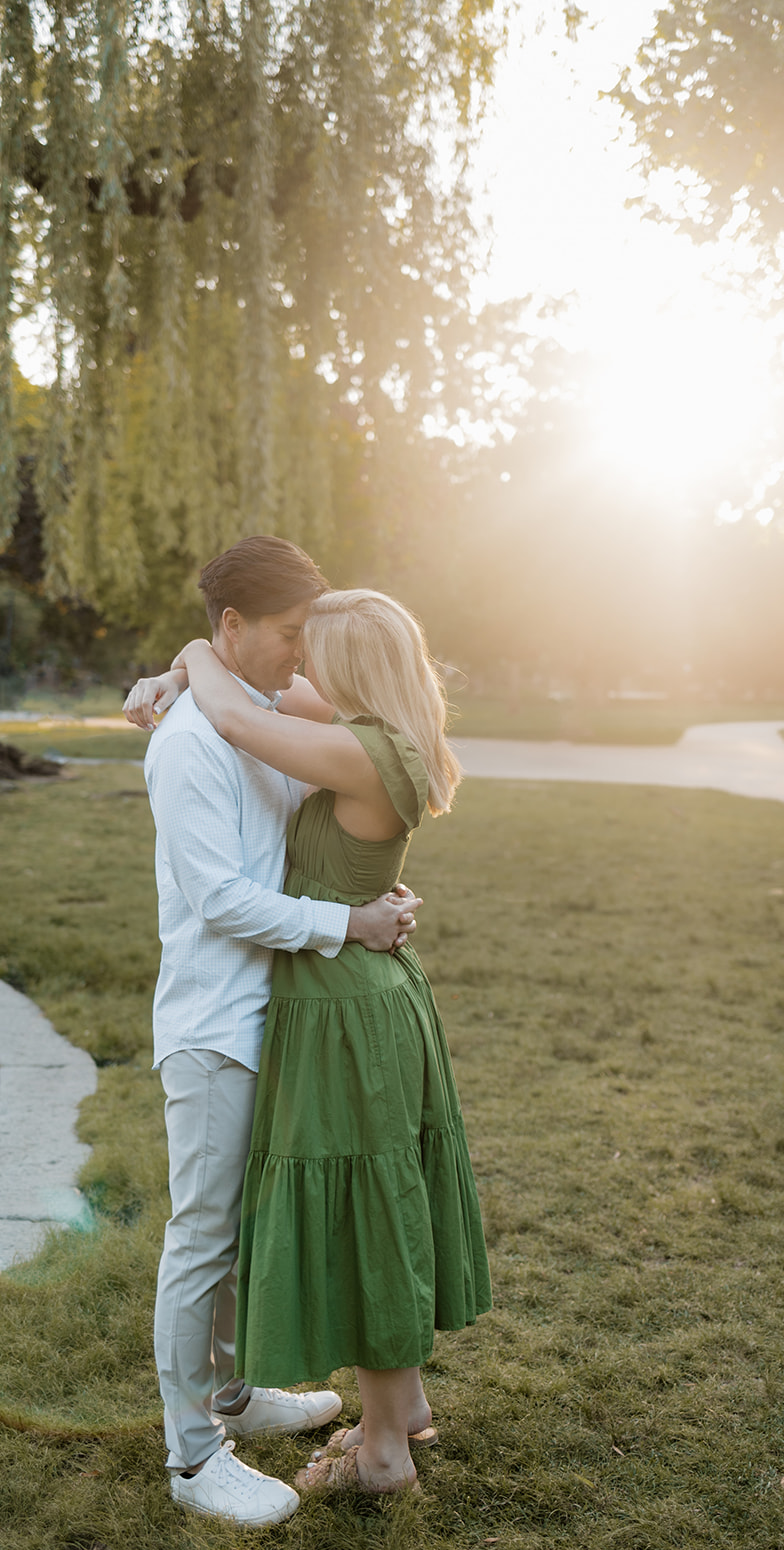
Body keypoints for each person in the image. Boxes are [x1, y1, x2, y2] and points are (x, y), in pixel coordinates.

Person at [147, 587, 492, 1498]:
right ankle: (401, 1411)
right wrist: (187, 660)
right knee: (377, 1195)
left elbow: (230, 706)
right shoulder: (374, 727)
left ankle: (381, 1453)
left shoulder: (353, 746)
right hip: (357, 998)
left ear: (351, 665)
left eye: (314, 648)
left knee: (366, 1210)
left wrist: (192, 644)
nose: (299, 663)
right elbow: (239, 691)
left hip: (344, 1005)